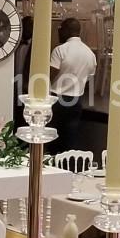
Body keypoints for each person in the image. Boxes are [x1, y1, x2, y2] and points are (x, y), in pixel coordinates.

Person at [47, 17, 97, 153]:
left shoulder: (60, 50)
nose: (58, 32)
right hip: (76, 101)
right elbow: (89, 77)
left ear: (66, 31)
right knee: (69, 141)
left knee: (51, 140)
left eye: (60, 29)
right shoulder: (90, 54)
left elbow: (50, 75)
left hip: (56, 99)